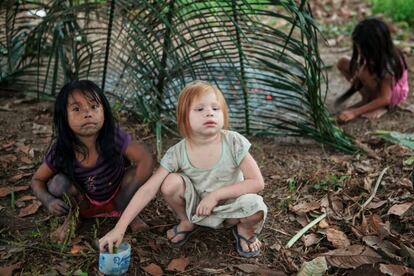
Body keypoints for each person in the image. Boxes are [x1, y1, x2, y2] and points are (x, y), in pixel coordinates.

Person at [99, 80, 267, 257]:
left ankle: (245, 231)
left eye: (215, 109)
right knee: (169, 182)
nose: (209, 113)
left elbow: (257, 182)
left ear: (223, 115)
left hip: (231, 209)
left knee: (255, 205)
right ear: (184, 117)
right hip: (197, 210)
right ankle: (186, 222)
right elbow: (149, 189)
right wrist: (120, 228)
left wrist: (216, 195)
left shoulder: (233, 141)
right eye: (200, 109)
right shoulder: (177, 152)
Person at [31, 80, 154, 230]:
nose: (88, 113)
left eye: (94, 106)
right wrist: (48, 200)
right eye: (77, 109)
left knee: (136, 173)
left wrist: (125, 196)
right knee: (57, 183)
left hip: (118, 193)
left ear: (104, 111)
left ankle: (129, 213)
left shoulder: (114, 137)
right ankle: (74, 217)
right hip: (85, 201)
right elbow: (37, 180)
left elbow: (145, 159)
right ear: (63, 116)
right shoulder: (61, 150)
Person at [335, 17, 409, 123]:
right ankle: (368, 99)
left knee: (365, 73)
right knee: (343, 62)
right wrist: (359, 77)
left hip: (391, 95)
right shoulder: (377, 53)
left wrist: (354, 113)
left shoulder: (388, 66)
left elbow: (385, 98)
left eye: (360, 47)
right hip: (380, 79)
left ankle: (379, 105)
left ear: (372, 47)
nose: (358, 50)